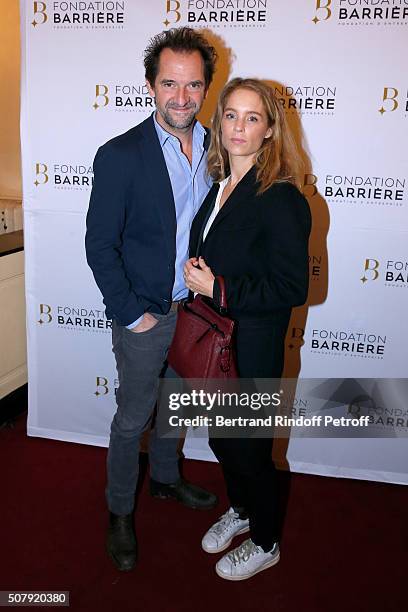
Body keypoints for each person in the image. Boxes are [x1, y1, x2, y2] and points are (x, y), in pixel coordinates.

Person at [85, 27, 218, 572]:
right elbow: (99, 244)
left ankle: (165, 480)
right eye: (170, 83)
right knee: (132, 417)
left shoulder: (220, 148)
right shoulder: (119, 155)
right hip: (146, 313)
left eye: (193, 85)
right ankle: (119, 512)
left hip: (196, 311)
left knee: (175, 407)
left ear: (206, 87)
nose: (181, 97)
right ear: (150, 86)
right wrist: (131, 314)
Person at [184, 78, 311, 580]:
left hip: (252, 348)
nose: (239, 126)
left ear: (269, 130)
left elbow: (292, 286)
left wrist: (221, 288)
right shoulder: (218, 187)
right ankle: (241, 509)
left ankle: (266, 540)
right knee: (221, 439)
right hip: (214, 344)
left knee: (251, 449)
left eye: (252, 117)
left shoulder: (281, 197)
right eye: (231, 115)